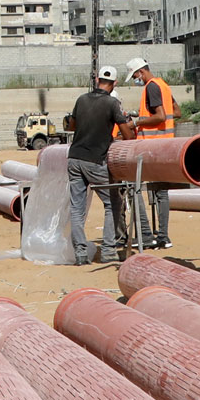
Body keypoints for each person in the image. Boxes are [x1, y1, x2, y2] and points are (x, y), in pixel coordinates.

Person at [63, 66, 136, 264]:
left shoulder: (81, 100)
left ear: (97, 80)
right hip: (96, 161)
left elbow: (71, 126)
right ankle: (108, 251)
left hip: (74, 158)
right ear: (114, 84)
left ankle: (79, 254)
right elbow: (127, 135)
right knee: (113, 202)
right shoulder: (113, 103)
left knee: (77, 208)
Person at [120, 56, 176, 248]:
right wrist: (142, 115)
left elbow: (159, 116)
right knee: (161, 192)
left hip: (152, 146)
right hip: (165, 144)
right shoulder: (163, 85)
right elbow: (175, 112)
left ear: (141, 72)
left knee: (135, 187)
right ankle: (163, 237)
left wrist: (138, 121)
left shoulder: (151, 86)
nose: (136, 79)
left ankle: (146, 234)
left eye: (135, 76)